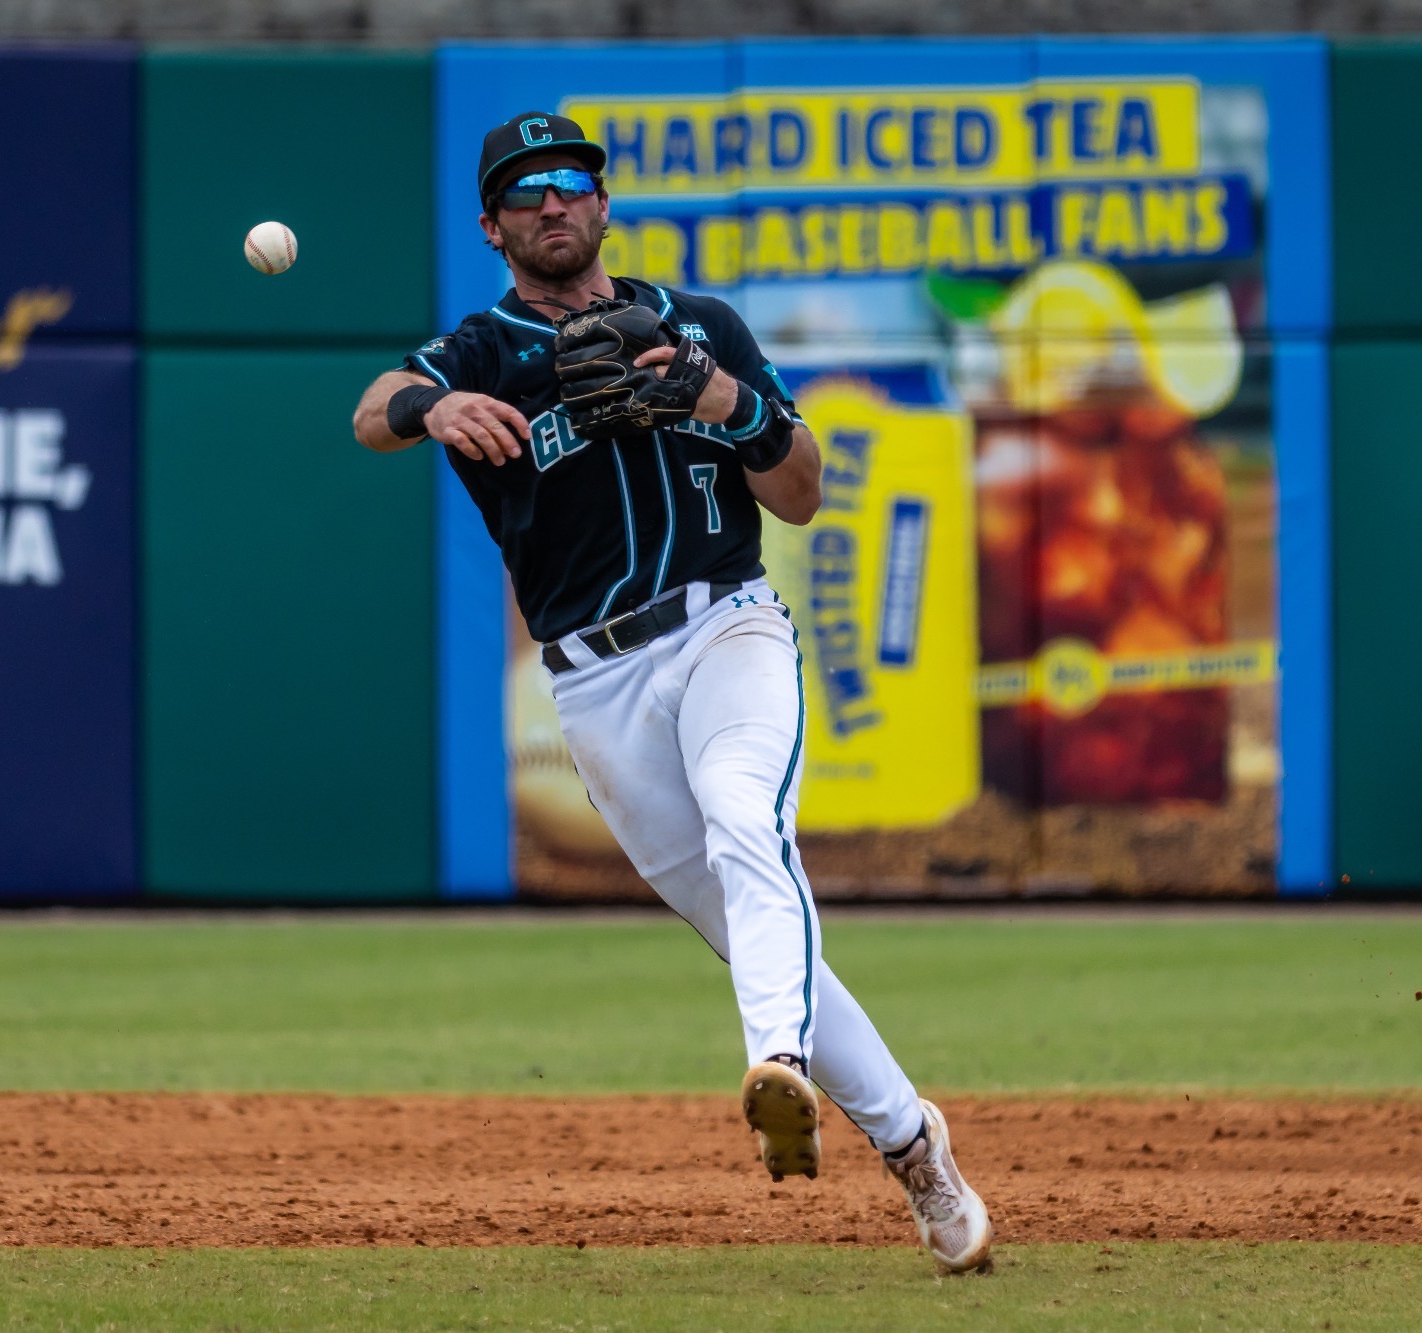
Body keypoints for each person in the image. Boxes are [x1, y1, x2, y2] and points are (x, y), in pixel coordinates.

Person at [352, 111, 992, 1274]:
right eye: (525, 189)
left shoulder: (700, 327)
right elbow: (371, 411)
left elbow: (801, 491)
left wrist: (721, 399)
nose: (553, 201)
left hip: (723, 629)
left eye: (570, 179)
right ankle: (913, 1148)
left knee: (748, 819)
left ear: (602, 202)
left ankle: (776, 1065)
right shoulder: (481, 352)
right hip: (593, 685)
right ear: (492, 225)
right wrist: (427, 407)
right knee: (750, 927)